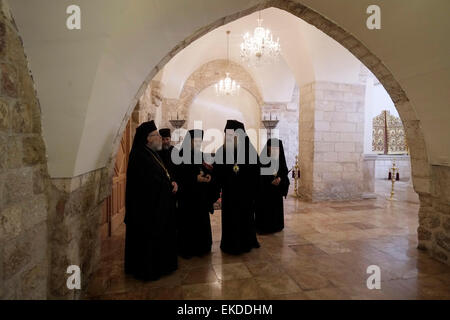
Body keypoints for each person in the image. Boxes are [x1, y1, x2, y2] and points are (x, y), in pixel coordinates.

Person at [124, 120, 178, 281]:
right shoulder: (139, 155)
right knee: (148, 242)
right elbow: (148, 184)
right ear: (148, 138)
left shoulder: (151, 152)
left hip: (156, 206)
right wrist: (168, 187)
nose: (160, 138)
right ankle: (150, 269)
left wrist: (171, 182)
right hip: (147, 211)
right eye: (156, 135)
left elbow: (162, 174)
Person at [213, 120, 260, 255]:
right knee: (230, 220)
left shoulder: (249, 150)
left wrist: (252, 190)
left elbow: (256, 172)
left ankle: (246, 243)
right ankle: (230, 245)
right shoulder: (222, 151)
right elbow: (217, 172)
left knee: (245, 219)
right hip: (229, 194)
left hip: (246, 194)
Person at [176, 129, 216, 258]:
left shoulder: (200, 154)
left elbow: (206, 168)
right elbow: (179, 176)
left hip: (200, 197)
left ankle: (203, 247)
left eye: (200, 141)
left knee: (201, 221)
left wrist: (209, 176)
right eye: (196, 141)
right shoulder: (181, 155)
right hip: (188, 198)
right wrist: (194, 178)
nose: (198, 143)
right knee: (188, 224)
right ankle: (189, 248)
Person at [256, 138, 290, 234]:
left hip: (276, 192)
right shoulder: (262, 160)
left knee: (275, 211)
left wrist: (280, 179)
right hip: (264, 191)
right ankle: (264, 226)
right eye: (271, 148)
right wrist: (268, 180)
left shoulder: (280, 160)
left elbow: (284, 172)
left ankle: (276, 225)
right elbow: (258, 173)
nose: (274, 151)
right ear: (267, 148)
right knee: (265, 211)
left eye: (276, 149)